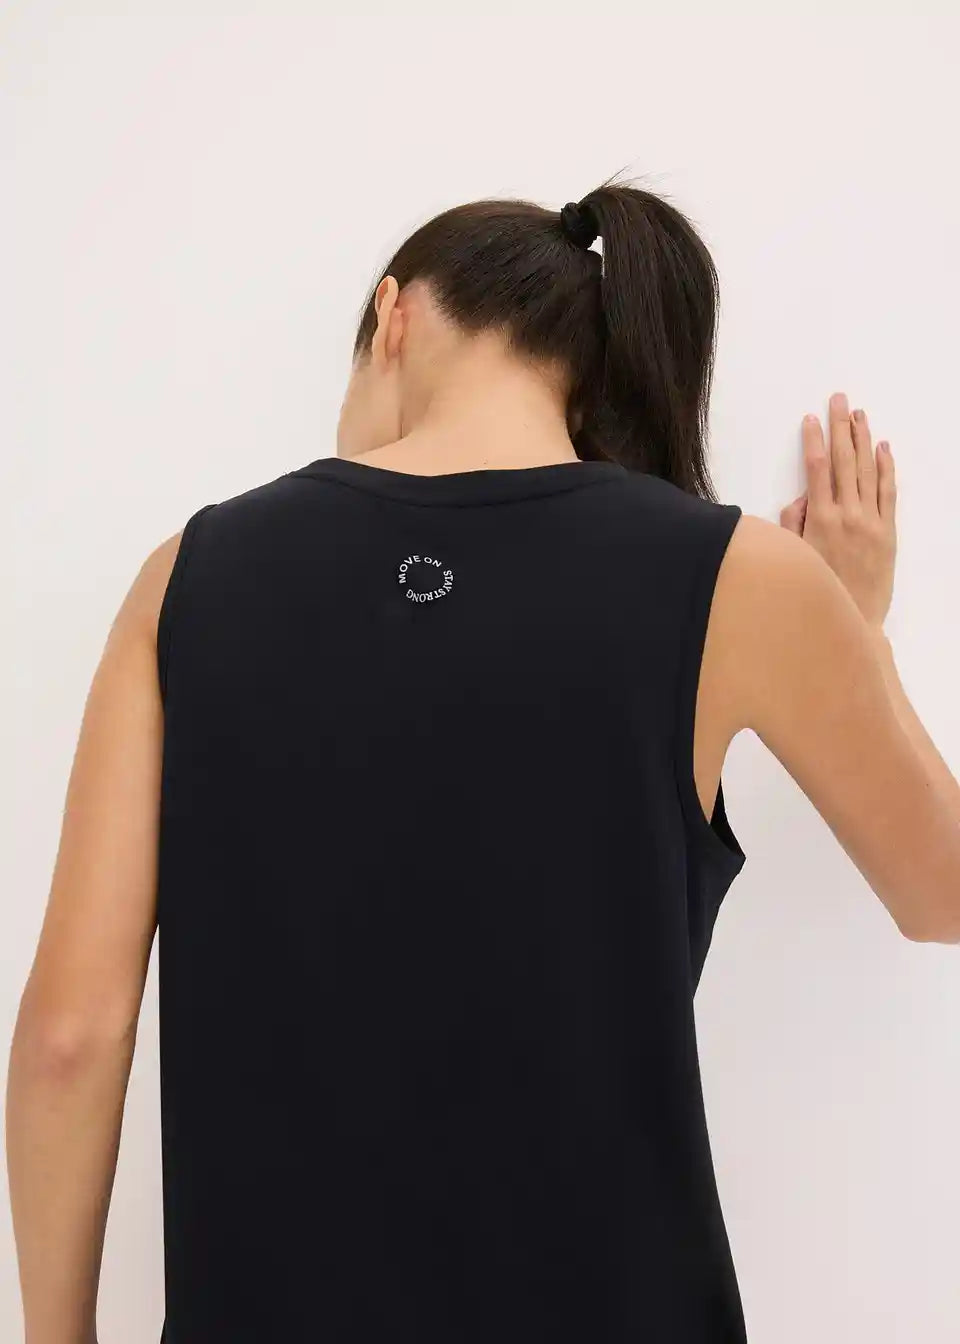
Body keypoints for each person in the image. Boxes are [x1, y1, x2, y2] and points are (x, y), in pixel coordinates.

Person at [6, 179, 960, 1344]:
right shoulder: (742, 581)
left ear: (391, 316)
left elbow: (70, 1037)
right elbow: (943, 894)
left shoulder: (189, 579)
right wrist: (853, 634)